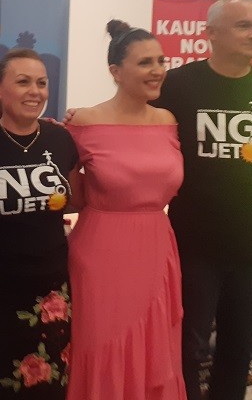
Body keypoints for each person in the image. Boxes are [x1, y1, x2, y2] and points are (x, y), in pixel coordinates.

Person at [154, 0, 252, 400]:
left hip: (251, 250)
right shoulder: (178, 84)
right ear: (211, 34)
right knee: (186, 350)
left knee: (238, 353)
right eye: (243, 26)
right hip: (191, 247)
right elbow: (133, 121)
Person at [66, 20, 186, 400]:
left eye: (161, 61)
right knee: (102, 347)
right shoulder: (84, 122)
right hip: (100, 255)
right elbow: (70, 195)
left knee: (155, 351)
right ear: (116, 72)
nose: (157, 70)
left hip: (156, 249)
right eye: (145, 62)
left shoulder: (167, 121)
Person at [0, 48, 78, 399]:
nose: (35, 91)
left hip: (51, 290)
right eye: (23, 82)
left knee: (51, 384)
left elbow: (76, 197)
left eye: (41, 83)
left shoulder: (61, 139)